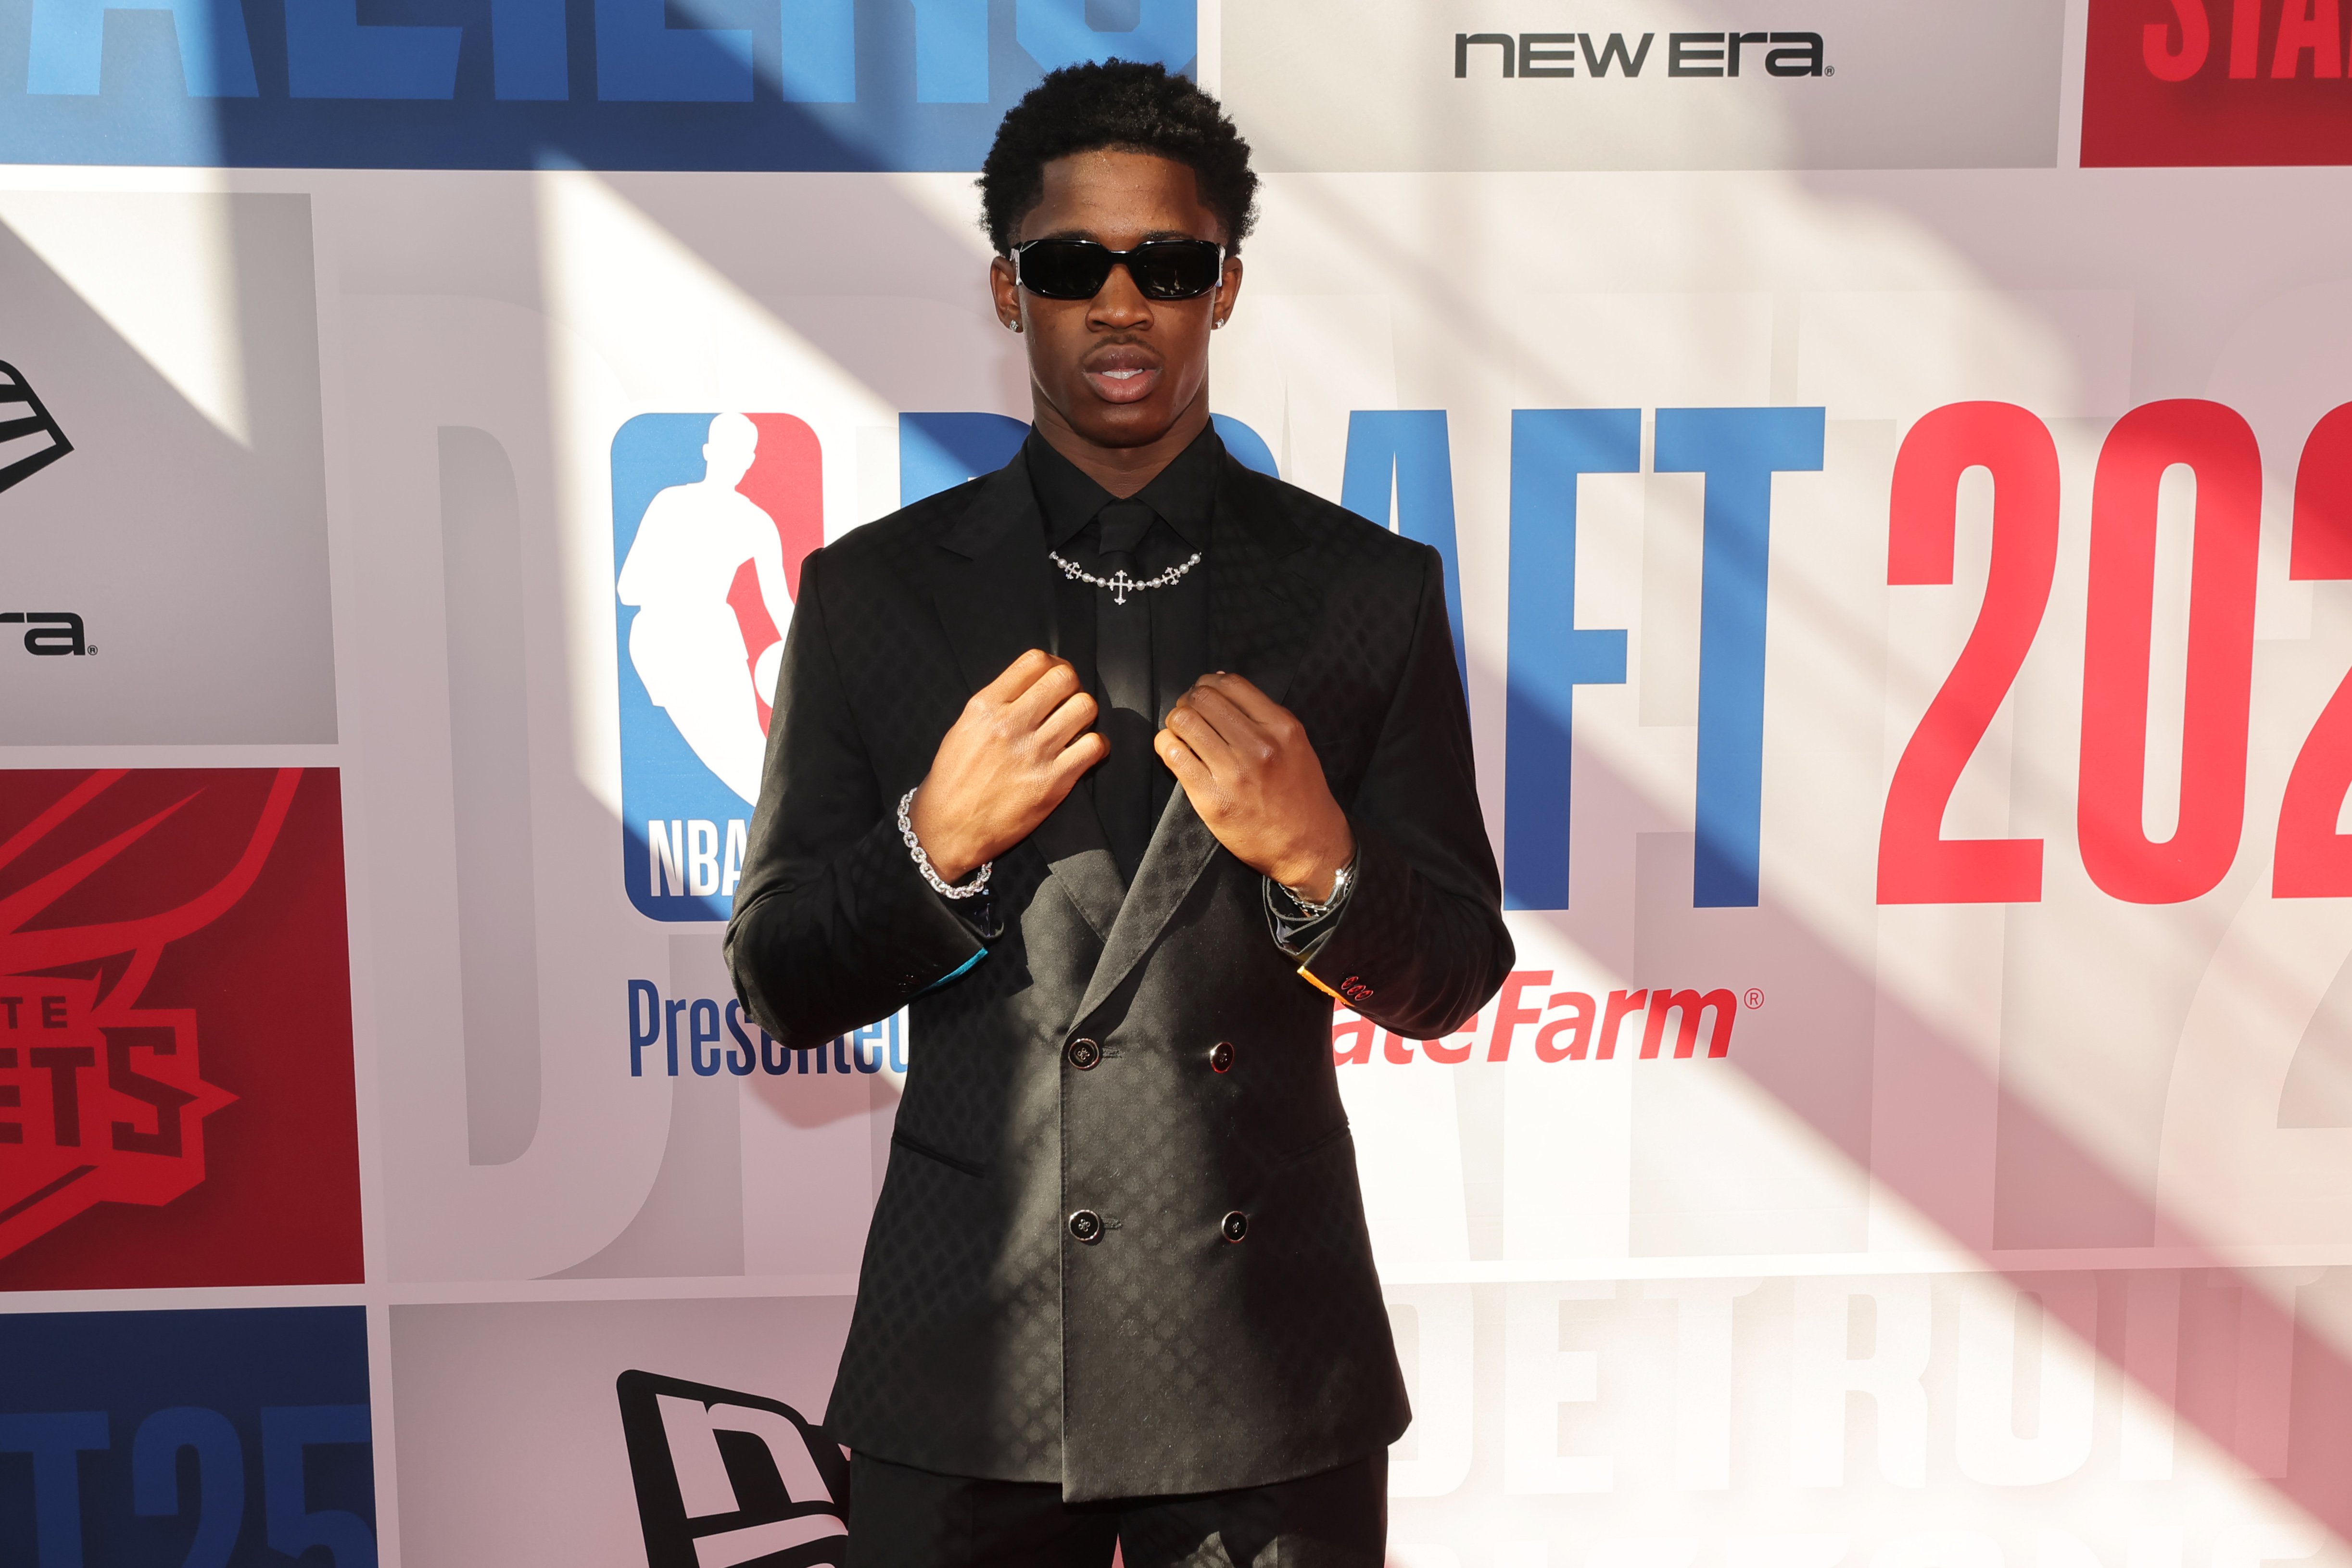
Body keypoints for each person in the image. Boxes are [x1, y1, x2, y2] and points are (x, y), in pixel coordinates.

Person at [726, 60, 1511, 1567]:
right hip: (964, 1365)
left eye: (1168, 262)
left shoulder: (1367, 593)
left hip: (1264, 1377)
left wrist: (1321, 862)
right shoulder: (873, 596)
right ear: (1010, 292)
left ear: (1222, 289)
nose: (1120, 300)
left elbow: (1455, 972)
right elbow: (778, 981)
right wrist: (928, 846)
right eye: (1071, 263)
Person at [617, 411, 791, 806]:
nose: (738, 461)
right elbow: (628, 588)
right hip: (664, 641)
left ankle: (791, 837)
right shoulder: (670, 503)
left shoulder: (757, 522)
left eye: (745, 454)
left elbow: (779, 604)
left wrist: (810, 657)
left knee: (751, 753)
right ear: (708, 451)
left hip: (716, 641)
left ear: (751, 460)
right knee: (738, 759)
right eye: (730, 450)